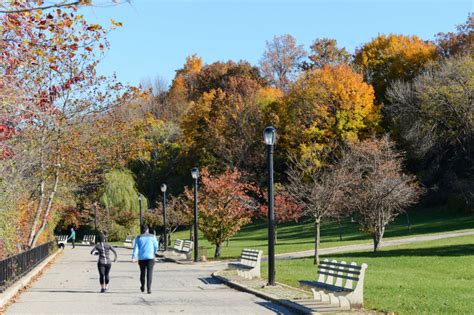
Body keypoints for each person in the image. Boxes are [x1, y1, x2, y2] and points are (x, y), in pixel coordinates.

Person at [132, 224, 158, 294]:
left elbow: (136, 248)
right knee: (149, 273)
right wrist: (154, 252)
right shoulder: (153, 237)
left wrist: (134, 257)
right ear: (147, 230)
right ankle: (149, 288)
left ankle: (142, 286)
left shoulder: (138, 238)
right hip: (150, 257)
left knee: (142, 273)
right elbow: (156, 246)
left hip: (141, 258)